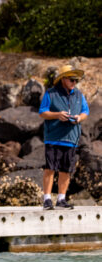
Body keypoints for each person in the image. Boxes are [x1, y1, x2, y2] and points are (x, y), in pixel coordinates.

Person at [39, 65, 89, 210]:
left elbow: (85, 111)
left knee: (66, 170)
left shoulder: (79, 95)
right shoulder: (51, 93)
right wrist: (57, 115)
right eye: (71, 79)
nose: (74, 82)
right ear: (63, 79)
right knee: (50, 168)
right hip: (53, 137)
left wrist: (79, 118)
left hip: (71, 138)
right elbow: (42, 112)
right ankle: (47, 199)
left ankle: (61, 199)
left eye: (76, 80)